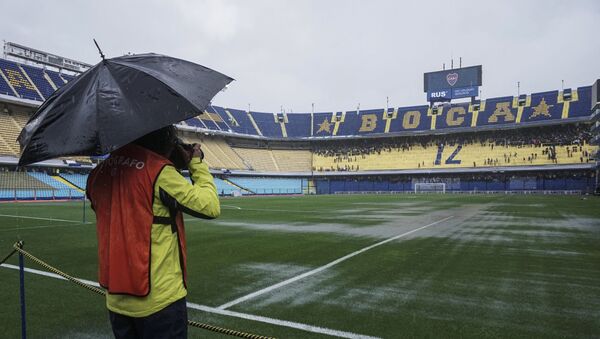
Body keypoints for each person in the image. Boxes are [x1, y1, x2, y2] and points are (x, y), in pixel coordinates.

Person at [86, 125, 220, 339]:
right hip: (159, 301)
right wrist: (196, 163)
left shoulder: (98, 173)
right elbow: (210, 206)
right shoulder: (158, 171)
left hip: (116, 299)